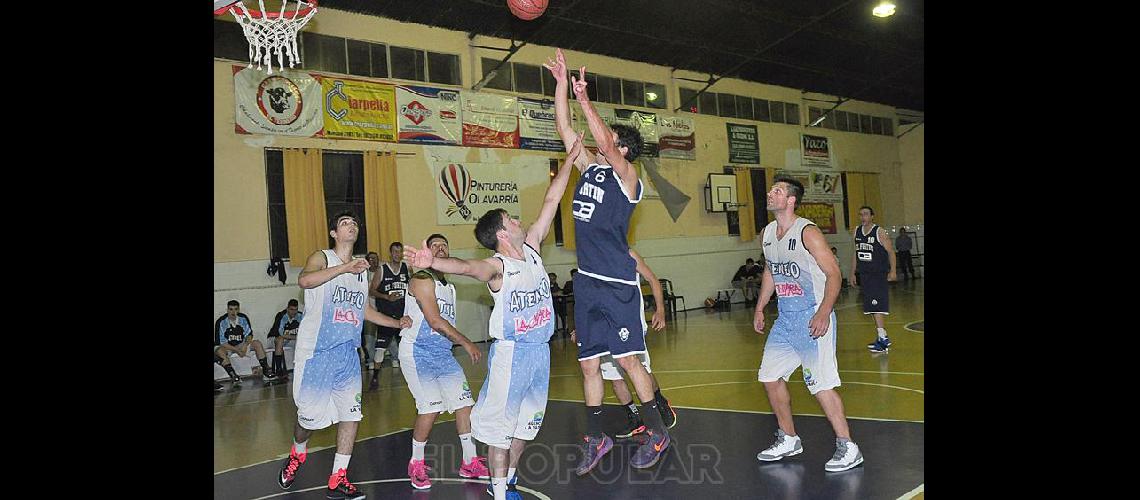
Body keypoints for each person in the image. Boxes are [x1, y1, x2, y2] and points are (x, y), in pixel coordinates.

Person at [404, 132, 579, 500]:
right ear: (502, 233)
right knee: (501, 430)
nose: (519, 221)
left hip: (540, 354)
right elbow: (467, 268)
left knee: (524, 431)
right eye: (511, 219)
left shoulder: (531, 248)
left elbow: (552, 199)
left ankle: (508, 481)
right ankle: (499, 493)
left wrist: (569, 160)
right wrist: (433, 261)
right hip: (511, 355)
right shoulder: (496, 266)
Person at [545, 47, 670, 474]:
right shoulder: (590, 168)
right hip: (587, 282)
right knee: (588, 364)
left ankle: (657, 431)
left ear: (621, 149)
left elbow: (599, 140)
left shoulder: (629, 179)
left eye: (610, 141)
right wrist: (562, 86)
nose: (602, 143)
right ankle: (597, 436)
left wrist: (585, 99)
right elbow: (565, 130)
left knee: (630, 360)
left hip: (617, 283)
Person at [276, 211, 412, 500]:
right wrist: (344, 268)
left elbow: (363, 310)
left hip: (348, 355)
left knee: (351, 415)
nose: (352, 226)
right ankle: (298, 453)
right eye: (344, 223)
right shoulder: (323, 257)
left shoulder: (361, 271)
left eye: (355, 223)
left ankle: (338, 477)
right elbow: (305, 282)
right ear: (334, 234)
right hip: (317, 352)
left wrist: (395, 322)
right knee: (308, 420)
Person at [754, 175, 863, 473]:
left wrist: (824, 312)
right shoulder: (767, 234)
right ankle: (789, 438)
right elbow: (771, 272)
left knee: (821, 386)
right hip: (786, 319)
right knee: (769, 377)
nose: (770, 194)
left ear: (791, 200)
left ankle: (848, 446)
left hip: (813, 316)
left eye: (777, 191)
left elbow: (834, 274)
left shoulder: (808, 232)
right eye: (771, 190)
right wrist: (761, 307)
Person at [398, 233, 489, 490]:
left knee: (464, 404)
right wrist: (466, 341)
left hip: (442, 354)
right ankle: (416, 462)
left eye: (444, 245)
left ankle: (470, 461)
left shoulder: (449, 286)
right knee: (431, 407)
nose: (440, 248)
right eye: (434, 245)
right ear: (426, 251)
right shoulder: (421, 279)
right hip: (417, 353)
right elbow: (435, 321)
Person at [574, 248, 676, 441]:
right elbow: (589, 299)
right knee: (614, 377)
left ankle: (658, 399)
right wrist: (581, 327)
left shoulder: (627, 254)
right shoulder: (592, 257)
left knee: (638, 368)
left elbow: (653, 280)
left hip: (629, 323)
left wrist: (660, 309)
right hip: (602, 327)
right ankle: (634, 418)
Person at [848, 206, 897, 353]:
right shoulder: (856, 231)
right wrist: (852, 273)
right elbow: (855, 253)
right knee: (871, 308)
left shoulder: (879, 232)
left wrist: (893, 271)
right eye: (861, 214)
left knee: (877, 307)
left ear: (872, 216)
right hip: (865, 275)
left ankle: (883, 339)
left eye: (866, 214)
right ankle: (881, 336)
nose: (863, 217)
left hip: (878, 275)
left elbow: (891, 252)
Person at [370, 241, 410, 390]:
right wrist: (387, 297)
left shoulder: (406, 268)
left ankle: (414, 375)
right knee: (380, 348)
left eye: (400, 252)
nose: (397, 254)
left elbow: (412, 287)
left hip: (402, 315)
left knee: (408, 346)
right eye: (395, 251)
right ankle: (374, 377)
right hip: (386, 316)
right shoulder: (382, 269)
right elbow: (371, 291)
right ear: (390, 253)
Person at [214, 300, 274, 382]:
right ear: (227, 310)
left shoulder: (243, 318)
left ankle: (266, 369)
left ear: (238, 310)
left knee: (257, 343)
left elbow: (249, 335)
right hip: (227, 346)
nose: (233, 312)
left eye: (235, 309)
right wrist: (237, 350)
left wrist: (245, 345)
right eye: (231, 309)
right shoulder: (221, 322)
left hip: (241, 344)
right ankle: (233, 374)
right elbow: (221, 342)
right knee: (219, 350)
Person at [268, 299, 304, 382]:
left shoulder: (300, 316)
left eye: (295, 309)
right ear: (287, 308)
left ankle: (301, 367)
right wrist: (297, 337)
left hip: (290, 339)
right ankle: (279, 369)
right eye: (291, 309)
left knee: (303, 342)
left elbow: (305, 331)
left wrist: (298, 338)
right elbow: (280, 334)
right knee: (280, 340)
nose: (293, 312)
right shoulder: (281, 315)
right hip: (274, 338)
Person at [359, 252, 381, 374]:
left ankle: (395, 358)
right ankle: (370, 360)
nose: (374, 261)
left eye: (376, 259)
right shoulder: (362, 274)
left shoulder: (382, 272)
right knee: (369, 339)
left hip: (382, 310)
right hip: (368, 311)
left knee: (388, 337)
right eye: (371, 259)